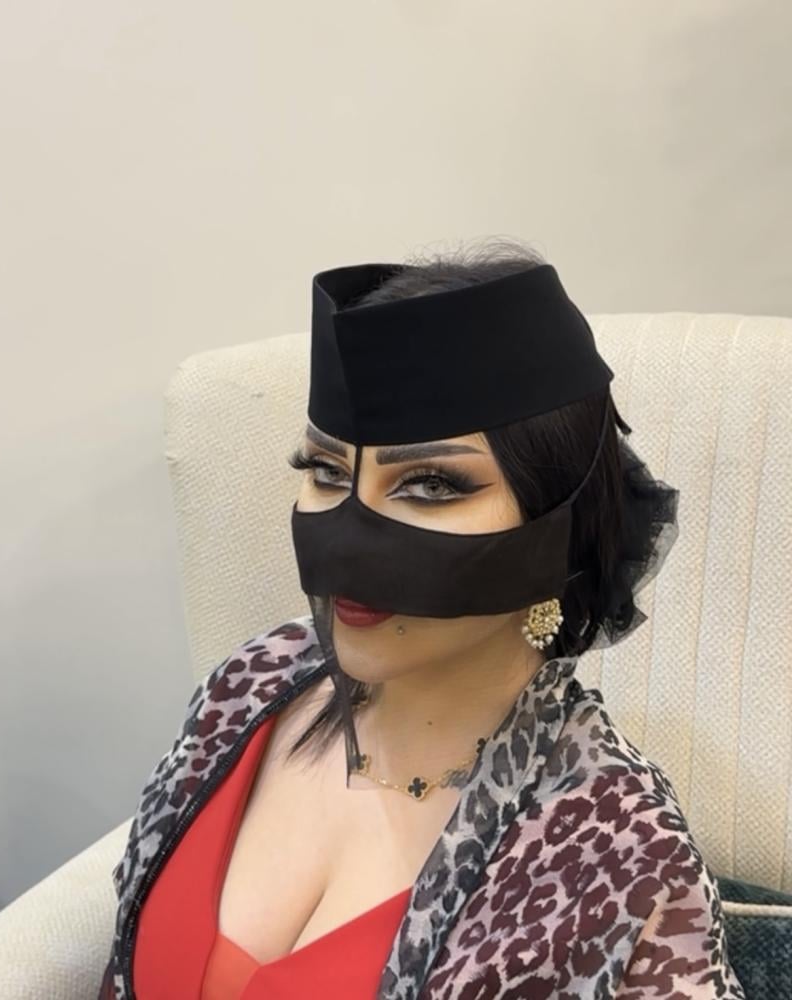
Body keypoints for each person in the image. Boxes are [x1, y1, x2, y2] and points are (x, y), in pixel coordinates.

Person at [98, 237, 746, 999]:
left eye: (432, 485)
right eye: (325, 471)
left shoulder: (616, 848)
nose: (346, 544)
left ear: (562, 525)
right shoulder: (253, 682)